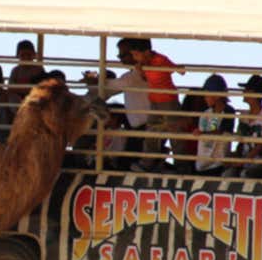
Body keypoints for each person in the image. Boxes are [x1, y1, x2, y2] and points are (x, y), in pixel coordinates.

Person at [82, 38, 150, 167]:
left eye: (123, 55)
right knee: (129, 160)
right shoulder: (134, 75)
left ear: (136, 53)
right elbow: (109, 90)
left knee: (129, 162)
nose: (120, 59)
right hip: (139, 127)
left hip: (145, 127)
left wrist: (95, 83)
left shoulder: (136, 75)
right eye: (119, 55)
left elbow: (110, 88)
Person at [128, 38, 184, 172]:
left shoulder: (161, 60)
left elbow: (178, 70)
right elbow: (146, 78)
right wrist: (141, 70)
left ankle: (182, 166)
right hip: (155, 101)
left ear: (146, 52)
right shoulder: (144, 63)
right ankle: (147, 163)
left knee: (175, 135)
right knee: (151, 132)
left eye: (136, 54)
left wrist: (179, 68)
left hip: (168, 101)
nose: (134, 58)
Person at [224, 74, 262, 178]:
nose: (243, 92)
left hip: (260, 161)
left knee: (245, 175)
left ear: (254, 93)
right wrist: (235, 158)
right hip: (245, 160)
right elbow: (240, 143)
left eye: (247, 89)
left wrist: (245, 160)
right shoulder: (243, 115)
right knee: (227, 174)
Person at [192, 74, 236, 176]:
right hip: (202, 164)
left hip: (217, 165)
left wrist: (203, 133)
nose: (205, 98)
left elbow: (221, 131)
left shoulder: (228, 111)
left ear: (216, 95)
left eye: (207, 94)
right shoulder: (206, 113)